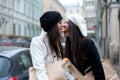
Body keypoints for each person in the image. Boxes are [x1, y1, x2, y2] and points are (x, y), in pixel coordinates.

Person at [63, 14, 105, 80]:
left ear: (74, 27)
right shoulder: (68, 45)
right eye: (64, 22)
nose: (64, 25)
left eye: (67, 23)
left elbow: (98, 71)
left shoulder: (88, 43)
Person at [30, 11, 64, 80]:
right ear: (53, 26)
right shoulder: (37, 42)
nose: (62, 25)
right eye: (60, 23)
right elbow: (40, 71)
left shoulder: (56, 41)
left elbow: (59, 66)